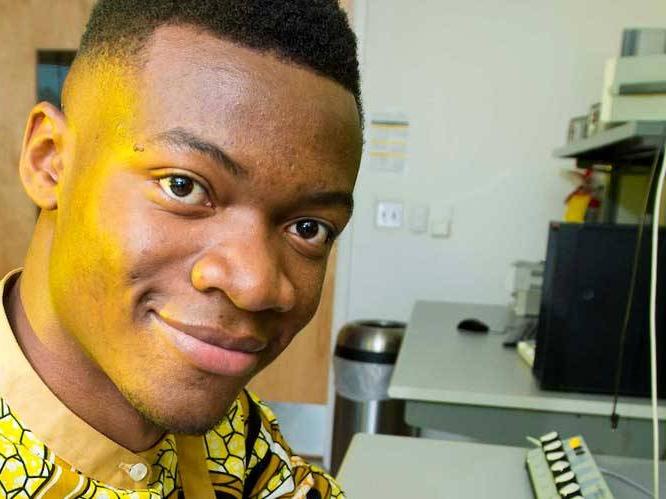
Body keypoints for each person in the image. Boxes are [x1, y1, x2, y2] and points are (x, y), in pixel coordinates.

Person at [0, 0, 362, 497]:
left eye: (308, 227)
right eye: (183, 187)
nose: (256, 285)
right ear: (50, 163)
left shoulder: (235, 435)